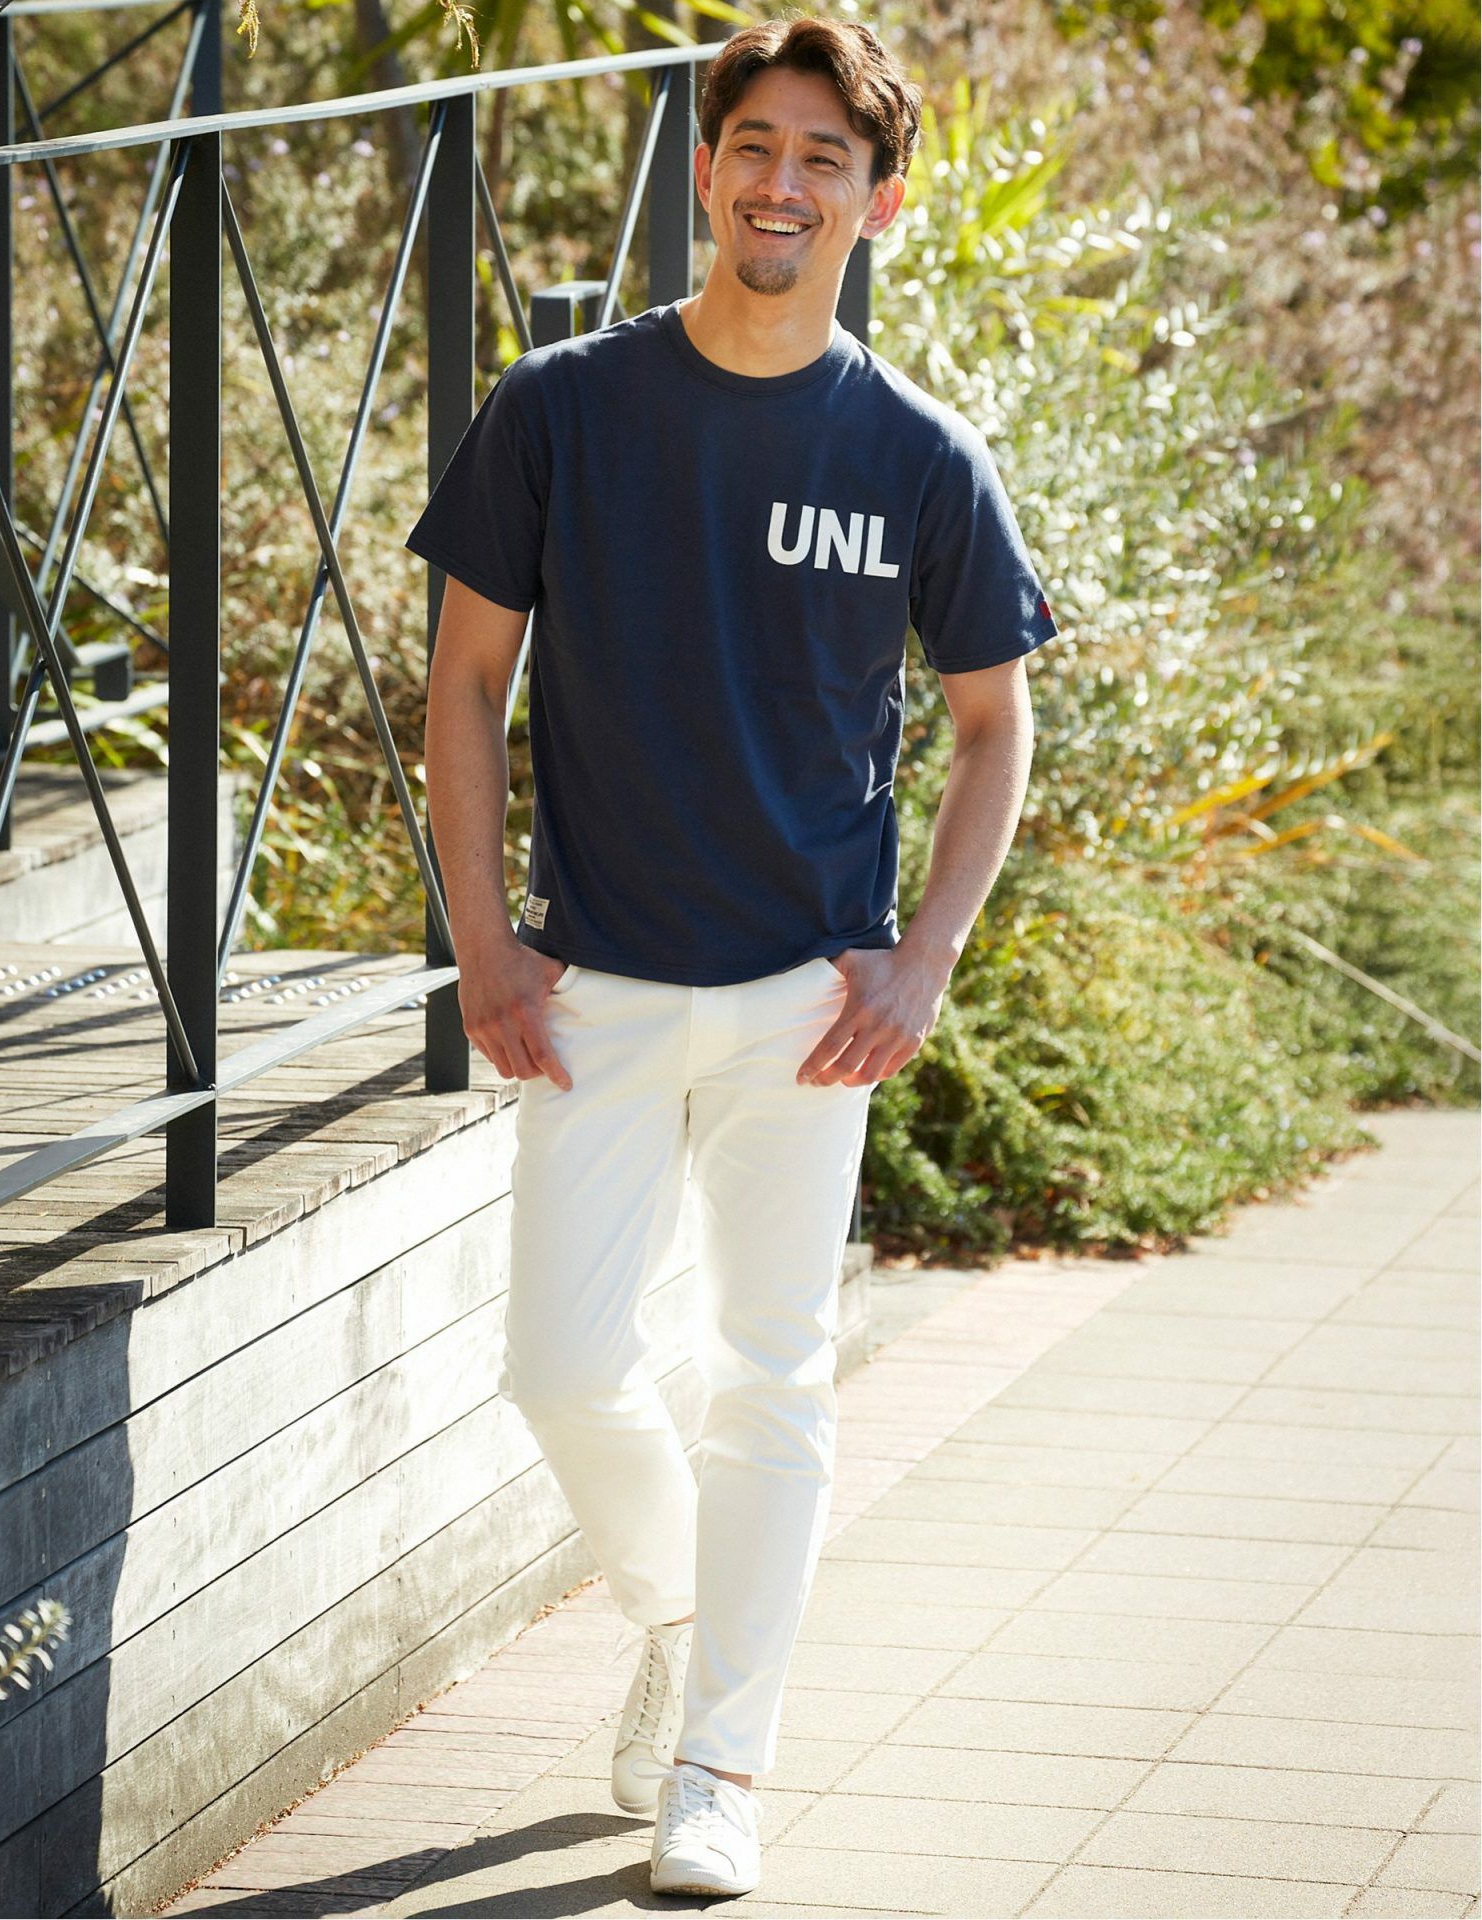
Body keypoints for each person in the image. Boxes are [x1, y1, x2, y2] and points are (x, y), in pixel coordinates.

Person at [408, 11, 1059, 1899]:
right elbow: (464, 686)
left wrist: (924, 959)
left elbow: (993, 724)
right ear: (706, 174)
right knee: (560, 1367)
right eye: (755, 148)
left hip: (807, 1001)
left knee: (773, 1378)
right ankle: (687, 1618)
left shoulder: (920, 455)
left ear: (879, 200)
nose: (783, 184)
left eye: (823, 159)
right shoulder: (562, 407)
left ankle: (720, 1767)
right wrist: (482, 942)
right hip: (592, 984)